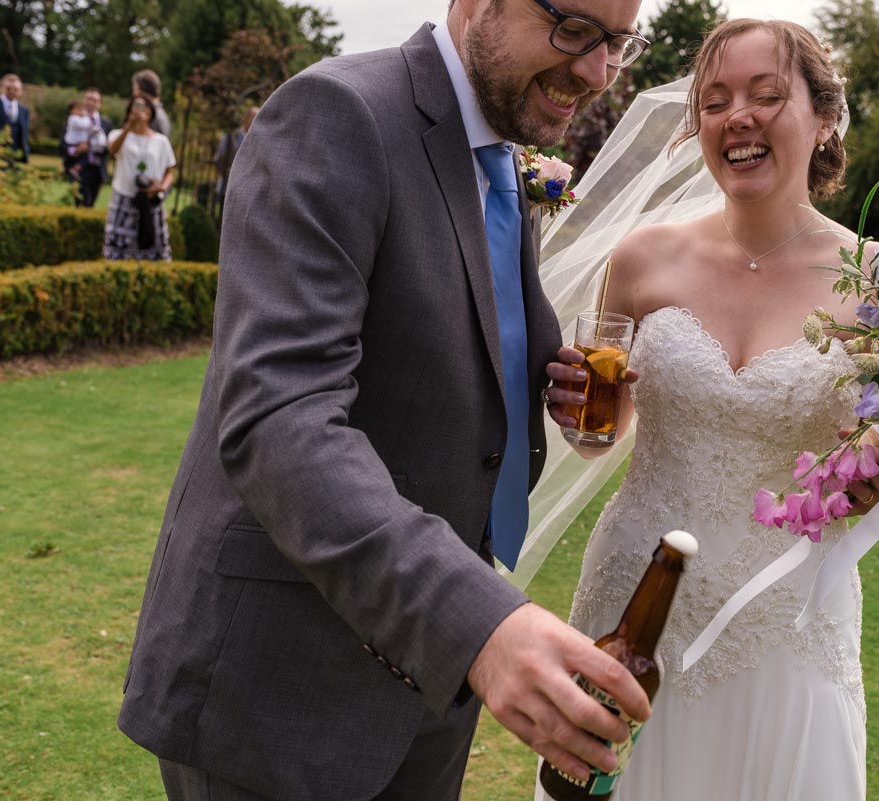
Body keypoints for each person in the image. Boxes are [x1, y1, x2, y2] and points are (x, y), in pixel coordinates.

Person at [117, 1, 655, 800]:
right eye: (574, 29)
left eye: (618, 43)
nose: (597, 71)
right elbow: (279, 417)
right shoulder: (338, 114)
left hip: (425, 688)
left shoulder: (500, 156)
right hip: (280, 683)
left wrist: (546, 374)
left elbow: (452, 327)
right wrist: (476, 623)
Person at [539, 19, 879, 801]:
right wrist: (576, 408)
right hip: (631, 598)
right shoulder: (642, 258)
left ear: (826, 116)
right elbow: (602, 435)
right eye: (714, 100)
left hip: (788, 619)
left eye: (766, 94)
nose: (736, 115)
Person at [102, 96, 175, 260]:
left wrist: (161, 187)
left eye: (144, 107)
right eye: (136, 106)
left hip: (150, 200)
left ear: (150, 112)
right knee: (117, 254)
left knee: (153, 251)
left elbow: (169, 171)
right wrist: (129, 127)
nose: (140, 111)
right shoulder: (118, 134)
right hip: (124, 199)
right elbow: (112, 151)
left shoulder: (161, 141)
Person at [61, 87, 113, 208]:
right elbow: (63, 144)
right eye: (88, 99)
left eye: (94, 100)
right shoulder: (74, 119)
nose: (91, 102)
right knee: (80, 204)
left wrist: (95, 146)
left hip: (97, 170)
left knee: (90, 204)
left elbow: (110, 148)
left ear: (99, 104)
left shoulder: (106, 123)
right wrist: (76, 150)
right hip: (78, 169)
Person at [212, 106, 258, 217]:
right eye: (254, 118)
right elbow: (218, 160)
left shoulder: (257, 141)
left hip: (246, 194)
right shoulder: (230, 137)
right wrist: (229, 176)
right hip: (226, 188)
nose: (257, 122)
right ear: (246, 119)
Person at [131, 68, 171, 137]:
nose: (133, 95)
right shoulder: (160, 113)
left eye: (135, 90)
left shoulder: (150, 116)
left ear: (140, 91)